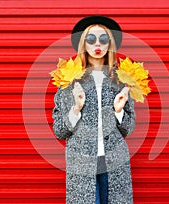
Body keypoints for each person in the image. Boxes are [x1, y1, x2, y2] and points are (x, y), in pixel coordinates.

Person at [52, 15, 136, 204]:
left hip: (115, 161)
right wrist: (76, 108)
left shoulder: (122, 80)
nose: (97, 44)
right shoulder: (69, 80)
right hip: (81, 162)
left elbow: (128, 129)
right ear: (83, 43)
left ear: (110, 44)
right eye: (91, 39)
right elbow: (59, 130)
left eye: (103, 39)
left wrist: (119, 111)